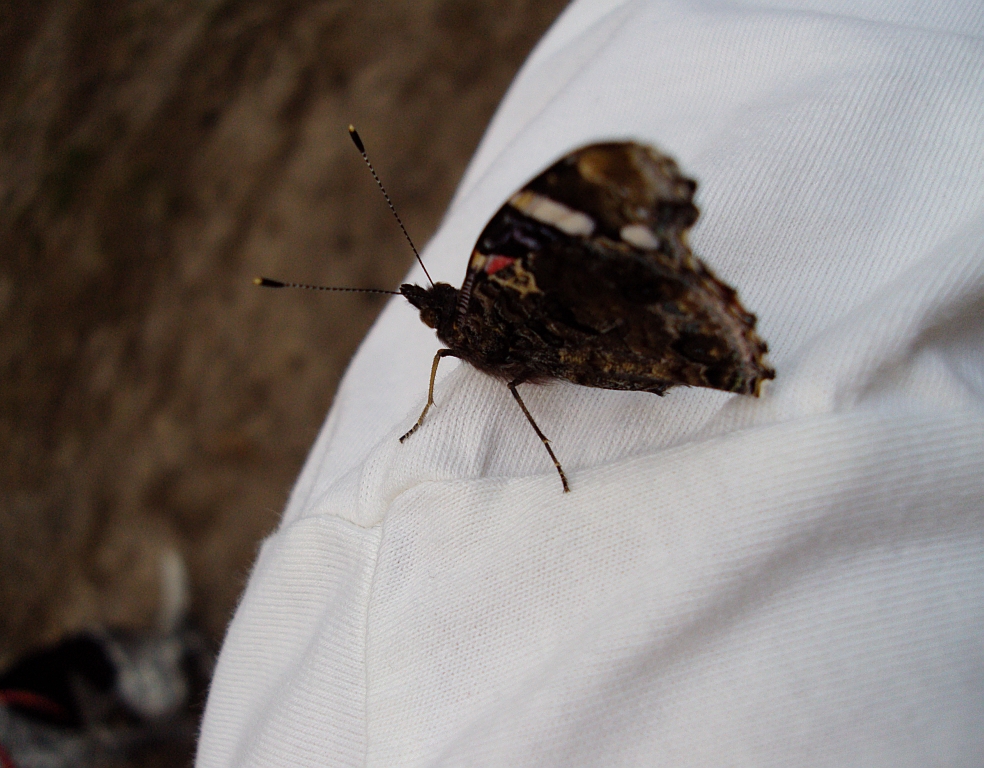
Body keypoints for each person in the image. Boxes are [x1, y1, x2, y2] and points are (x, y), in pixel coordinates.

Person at [198, 1, 984, 765]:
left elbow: (585, 213)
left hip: (668, 332)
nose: (437, 329)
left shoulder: (489, 286)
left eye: (438, 319)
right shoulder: (467, 327)